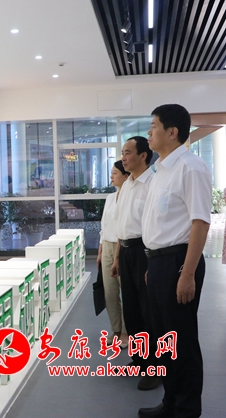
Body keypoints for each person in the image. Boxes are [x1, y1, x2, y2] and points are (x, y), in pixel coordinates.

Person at [139, 104, 212, 418]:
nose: (149, 132)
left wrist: (187, 274)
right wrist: (151, 265)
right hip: (158, 263)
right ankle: (170, 402)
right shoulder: (160, 170)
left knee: (181, 341)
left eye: (154, 126)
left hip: (179, 262)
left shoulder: (190, 167)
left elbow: (200, 222)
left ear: (172, 132)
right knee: (164, 340)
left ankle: (186, 409)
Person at [111, 136, 161, 391]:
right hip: (127, 252)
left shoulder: (152, 183)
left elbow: (154, 225)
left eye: (128, 152)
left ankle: (155, 367)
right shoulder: (127, 184)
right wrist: (117, 257)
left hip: (145, 252)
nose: (123, 157)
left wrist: (151, 262)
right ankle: (140, 360)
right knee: (131, 310)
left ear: (143, 155)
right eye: (122, 152)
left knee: (148, 311)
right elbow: (122, 225)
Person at [97, 160, 129, 348]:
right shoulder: (110, 198)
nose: (112, 176)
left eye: (115, 172)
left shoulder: (129, 197)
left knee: (126, 291)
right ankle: (116, 330)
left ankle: (126, 331)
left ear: (126, 176)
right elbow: (104, 225)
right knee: (110, 292)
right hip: (108, 246)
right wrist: (101, 250)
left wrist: (117, 253)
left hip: (123, 246)